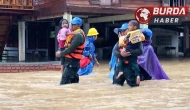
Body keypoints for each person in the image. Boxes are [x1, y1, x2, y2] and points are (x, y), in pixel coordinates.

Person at [112, 21, 143, 87]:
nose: (122, 32)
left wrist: (128, 53)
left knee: (134, 88)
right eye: (121, 31)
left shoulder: (136, 40)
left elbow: (140, 51)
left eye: (124, 30)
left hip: (131, 68)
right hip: (119, 68)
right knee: (116, 86)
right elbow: (114, 52)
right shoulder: (120, 41)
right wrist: (121, 54)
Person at [56, 17, 85, 85]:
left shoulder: (78, 36)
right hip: (70, 63)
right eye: (71, 24)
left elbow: (71, 49)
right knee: (73, 84)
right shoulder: (72, 33)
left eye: (74, 24)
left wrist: (61, 53)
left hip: (72, 63)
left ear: (78, 25)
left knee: (63, 84)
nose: (71, 26)